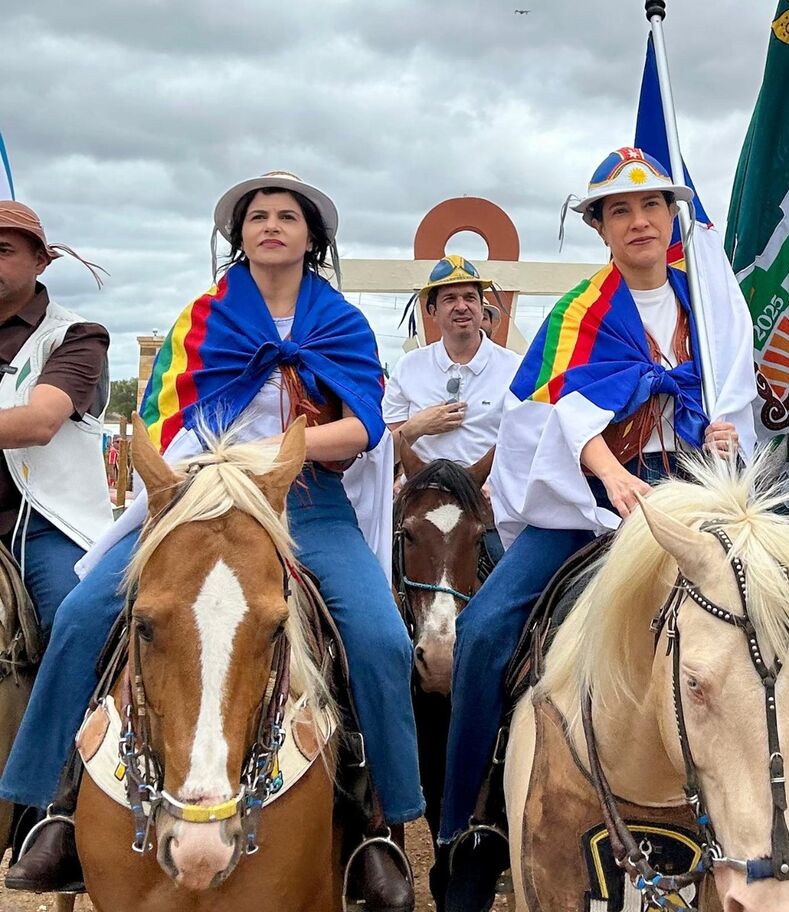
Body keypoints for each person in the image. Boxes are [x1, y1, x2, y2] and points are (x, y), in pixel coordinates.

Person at [2, 172, 420, 911]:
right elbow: (163, 422)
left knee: (382, 639)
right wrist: (223, 465)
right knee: (81, 614)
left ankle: (380, 823)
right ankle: (51, 805)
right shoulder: (202, 318)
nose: (271, 226)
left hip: (307, 503)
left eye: (287, 217)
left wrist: (273, 458)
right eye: (257, 217)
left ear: (310, 239)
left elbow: (363, 427)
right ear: (240, 237)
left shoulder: (345, 323)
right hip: (198, 499)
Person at [440, 147, 758, 910]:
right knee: (484, 632)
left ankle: (764, 812)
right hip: (586, 501)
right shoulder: (580, 311)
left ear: (671, 218)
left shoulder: (714, 308)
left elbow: (739, 399)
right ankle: (470, 823)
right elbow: (546, 410)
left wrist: (723, 441)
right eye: (620, 210)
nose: (639, 221)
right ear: (602, 228)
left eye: (651, 207)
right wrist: (610, 475)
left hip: (691, 493)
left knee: (775, 623)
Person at [0, 201, 111, 639]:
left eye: (4, 250)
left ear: (41, 261)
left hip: (43, 526)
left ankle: (72, 711)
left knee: (77, 620)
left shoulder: (77, 336)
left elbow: (40, 422)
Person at [383, 256, 520, 561]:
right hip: (419, 507)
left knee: (512, 581)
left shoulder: (514, 369)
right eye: (449, 299)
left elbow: (526, 445)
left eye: (470, 297)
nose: (462, 306)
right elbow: (384, 455)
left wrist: (496, 489)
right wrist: (419, 426)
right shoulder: (409, 367)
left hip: (485, 506)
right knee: (379, 571)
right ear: (431, 310)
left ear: (481, 305)